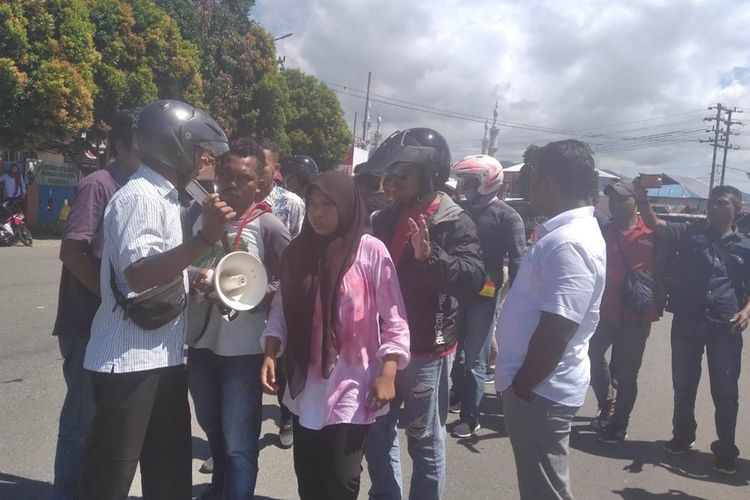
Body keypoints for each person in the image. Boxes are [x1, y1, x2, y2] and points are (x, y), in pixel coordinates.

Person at [80, 100, 234, 500]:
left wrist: (194, 274)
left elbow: (157, 262)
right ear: (174, 145)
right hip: (127, 362)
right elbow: (139, 273)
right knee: (109, 480)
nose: (203, 158)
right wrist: (205, 240)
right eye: (198, 148)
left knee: (169, 472)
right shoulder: (141, 196)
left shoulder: (166, 196)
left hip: (162, 357)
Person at [260, 171, 411, 500]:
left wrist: (388, 371)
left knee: (341, 481)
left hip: (352, 386)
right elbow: (280, 307)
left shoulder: (370, 251)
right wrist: (271, 351)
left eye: (328, 204)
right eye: (312, 203)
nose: (317, 212)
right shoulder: (299, 251)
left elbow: (395, 317)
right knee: (309, 479)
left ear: (346, 204)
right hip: (306, 386)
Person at [362, 128, 485, 500]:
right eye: (392, 174)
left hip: (426, 351)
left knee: (425, 441)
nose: (393, 181)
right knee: (376, 434)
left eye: (403, 174)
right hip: (383, 346)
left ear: (430, 173)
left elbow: (474, 279)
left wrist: (429, 257)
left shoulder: (453, 220)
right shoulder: (383, 218)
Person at [496, 139, 606, 500]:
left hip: (540, 390)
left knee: (545, 491)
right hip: (538, 386)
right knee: (538, 486)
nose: (528, 188)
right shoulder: (563, 236)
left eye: (533, 178)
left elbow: (559, 329)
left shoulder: (569, 243)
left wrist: (523, 386)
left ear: (550, 184)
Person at [186, 138, 291, 500]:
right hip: (201, 342)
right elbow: (179, 262)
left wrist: (252, 292)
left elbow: (290, 284)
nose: (231, 184)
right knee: (211, 425)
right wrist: (197, 276)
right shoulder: (198, 215)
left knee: (239, 441)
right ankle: (220, 489)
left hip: (244, 352)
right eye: (225, 175)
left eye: (242, 178)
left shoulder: (269, 227)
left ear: (260, 184)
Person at [50, 110, 140, 500]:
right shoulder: (98, 186)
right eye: (144, 145)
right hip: (86, 324)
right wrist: (109, 300)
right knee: (81, 422)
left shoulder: (133, 187)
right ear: (120, 146)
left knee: (105, 423)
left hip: (110, 328)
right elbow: (71, 251)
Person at [634, 179, 750, 475]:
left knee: (725, 391)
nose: (714, 206)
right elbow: (656, 224)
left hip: (725, 327)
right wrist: (642, 195)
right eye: (712, 201)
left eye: (722, 202)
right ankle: (683, 436)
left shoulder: (745, 247)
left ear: (736, 209)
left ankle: (726, 449)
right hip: (687, 321)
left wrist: (746, 311)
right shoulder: (690, 233)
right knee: (683, 384)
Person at [448, 154, 526, 438]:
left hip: (485, 293)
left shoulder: (507, 216)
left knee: (476, 359)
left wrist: (518, 302)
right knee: (454, 352)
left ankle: (472, 416)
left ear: (486, 181)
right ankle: (458, 396)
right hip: (457, 289)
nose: (462, 187)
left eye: (468, 181)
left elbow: (518, 259)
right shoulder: (459, 210)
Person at [588, 181, 663, 444]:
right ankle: (607, 401)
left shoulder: (652, 233)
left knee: (628, 374)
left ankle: (620, 423)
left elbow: (665, 270)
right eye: (612, 200)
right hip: (603, 312)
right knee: (591, 356)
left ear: (635, 200)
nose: (616, 204)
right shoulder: (601, 230)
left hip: (638, 316)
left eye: (622, 199)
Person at [260, 138, 306, 449]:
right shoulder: (229, 200)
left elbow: (303, 251)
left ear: (274, 167)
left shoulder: (292, 203)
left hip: (280, 295)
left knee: (282, 360)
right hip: (240, 300)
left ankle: (287, 415)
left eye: (261, 162)